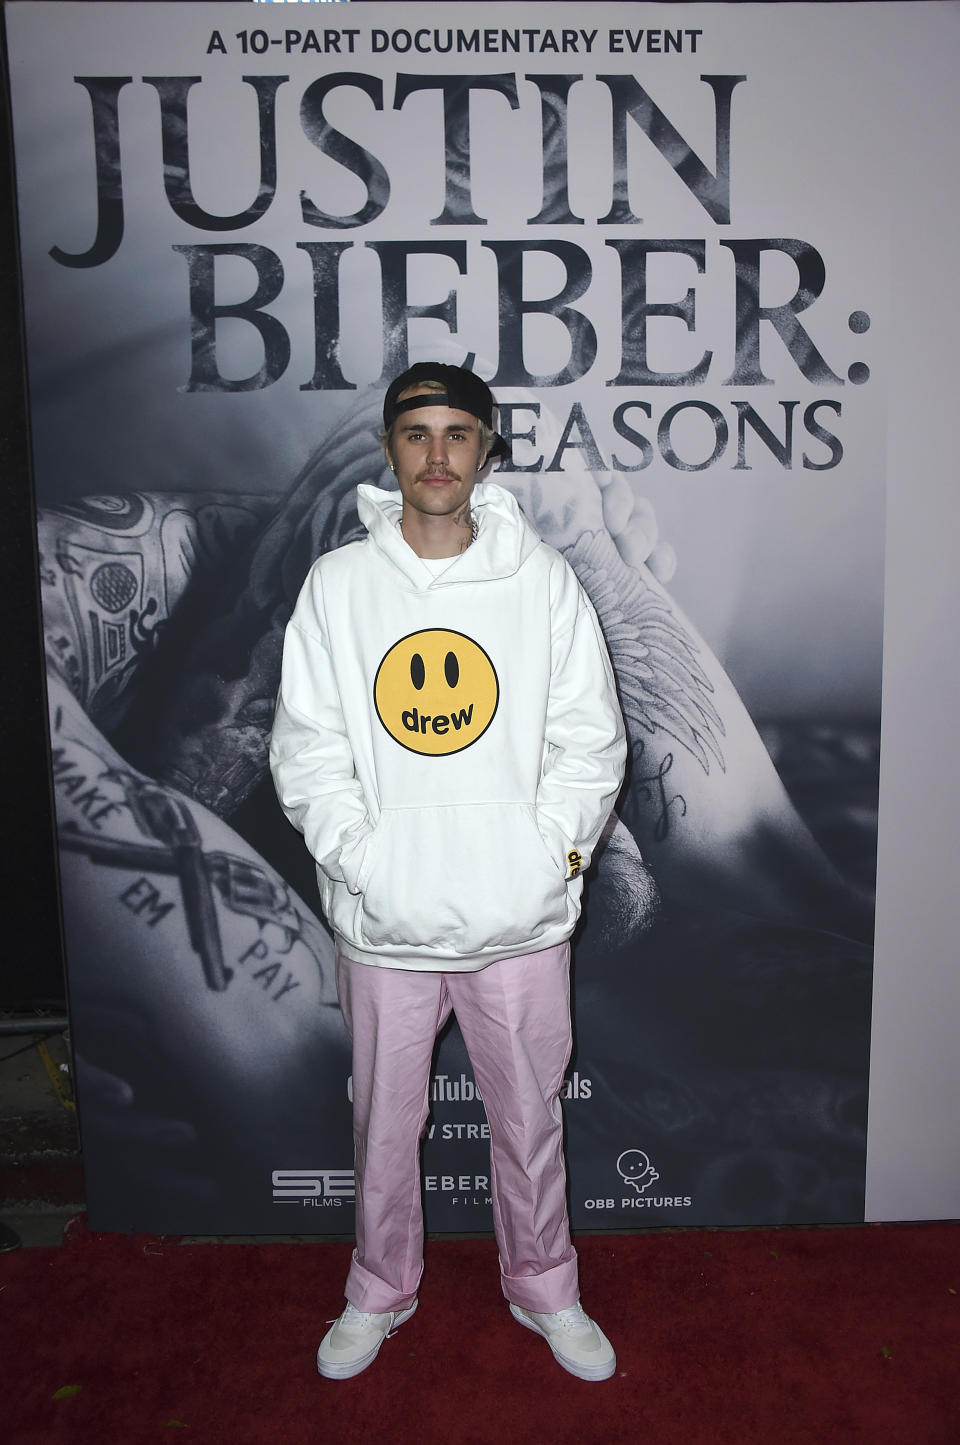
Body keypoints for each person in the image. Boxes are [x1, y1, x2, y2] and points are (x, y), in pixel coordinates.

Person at [269, 362, 629, 1382]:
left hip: (519, 920)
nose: (437, 454)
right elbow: (307, 746)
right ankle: (379, 1289)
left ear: (486, 448)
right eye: (417, 432)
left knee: (529, 1118)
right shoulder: (339, 585)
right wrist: (363, 860)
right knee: (384, 1123)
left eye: (457, 433)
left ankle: (546, 1285)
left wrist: (545, 855)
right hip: (385, 921)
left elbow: (589, 739)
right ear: (390, 448)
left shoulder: (543, 578)